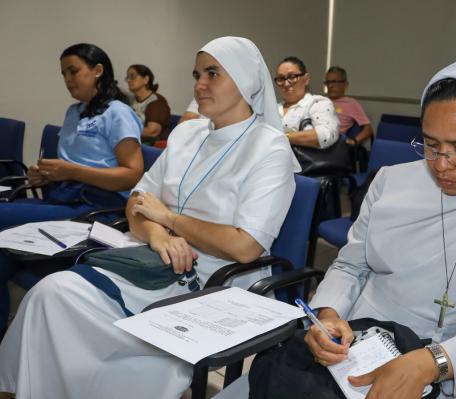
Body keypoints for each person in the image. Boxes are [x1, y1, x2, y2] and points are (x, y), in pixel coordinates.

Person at [248, 59, 456, 398]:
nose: (442, 165)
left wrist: (432, 363)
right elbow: (350, 265)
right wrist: (328, 317)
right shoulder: (392, 180)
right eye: (431, 145)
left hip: (454, 363)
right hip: (358, 348)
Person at [0, 36, 298, 399]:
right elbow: (137, 204)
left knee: (71, 317)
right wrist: (159, 236)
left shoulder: (269, 148)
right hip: (155, 258)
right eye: (197, 74)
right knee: (50, 295)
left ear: (247, 80)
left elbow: (245, 245)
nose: (199, 84)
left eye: (212, 73)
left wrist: (167, 219)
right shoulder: (188, 132)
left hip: (216, 279)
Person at [0, 43, 143, 337]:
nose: (68, 79)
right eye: (64, 73)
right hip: (66, 197)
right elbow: (72, 164)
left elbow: (131, 174)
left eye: (74, 70)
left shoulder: (118, 113)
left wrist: (71, 171)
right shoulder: (73, 112)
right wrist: (47, 176)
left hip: (97, 209)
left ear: (98, 71)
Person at [275, 56, 339, 149]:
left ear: (306, 79)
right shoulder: (273, 109)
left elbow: (326, 135)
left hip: (304, 162)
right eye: (281, 78)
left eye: (292, 77)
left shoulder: (317, 103)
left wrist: (283, 138)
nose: (286, 84)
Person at [325, 66, 373, 146]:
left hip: (332, 144)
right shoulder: (321, 101)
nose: (330, 86)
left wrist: (354, 141)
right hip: (312, 137)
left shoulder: (351, 104)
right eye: (328, 82)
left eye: (334, 82)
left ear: (345, 85)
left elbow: (368, 129)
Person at [125, 64, 172, 144]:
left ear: (146, 79)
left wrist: (125, 131)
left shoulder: (156, 101)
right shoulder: (131, 100)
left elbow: (152, 132)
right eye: (127, 77)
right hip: (136, 142)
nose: (129, 80)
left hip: (153, 148)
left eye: (132, 76)